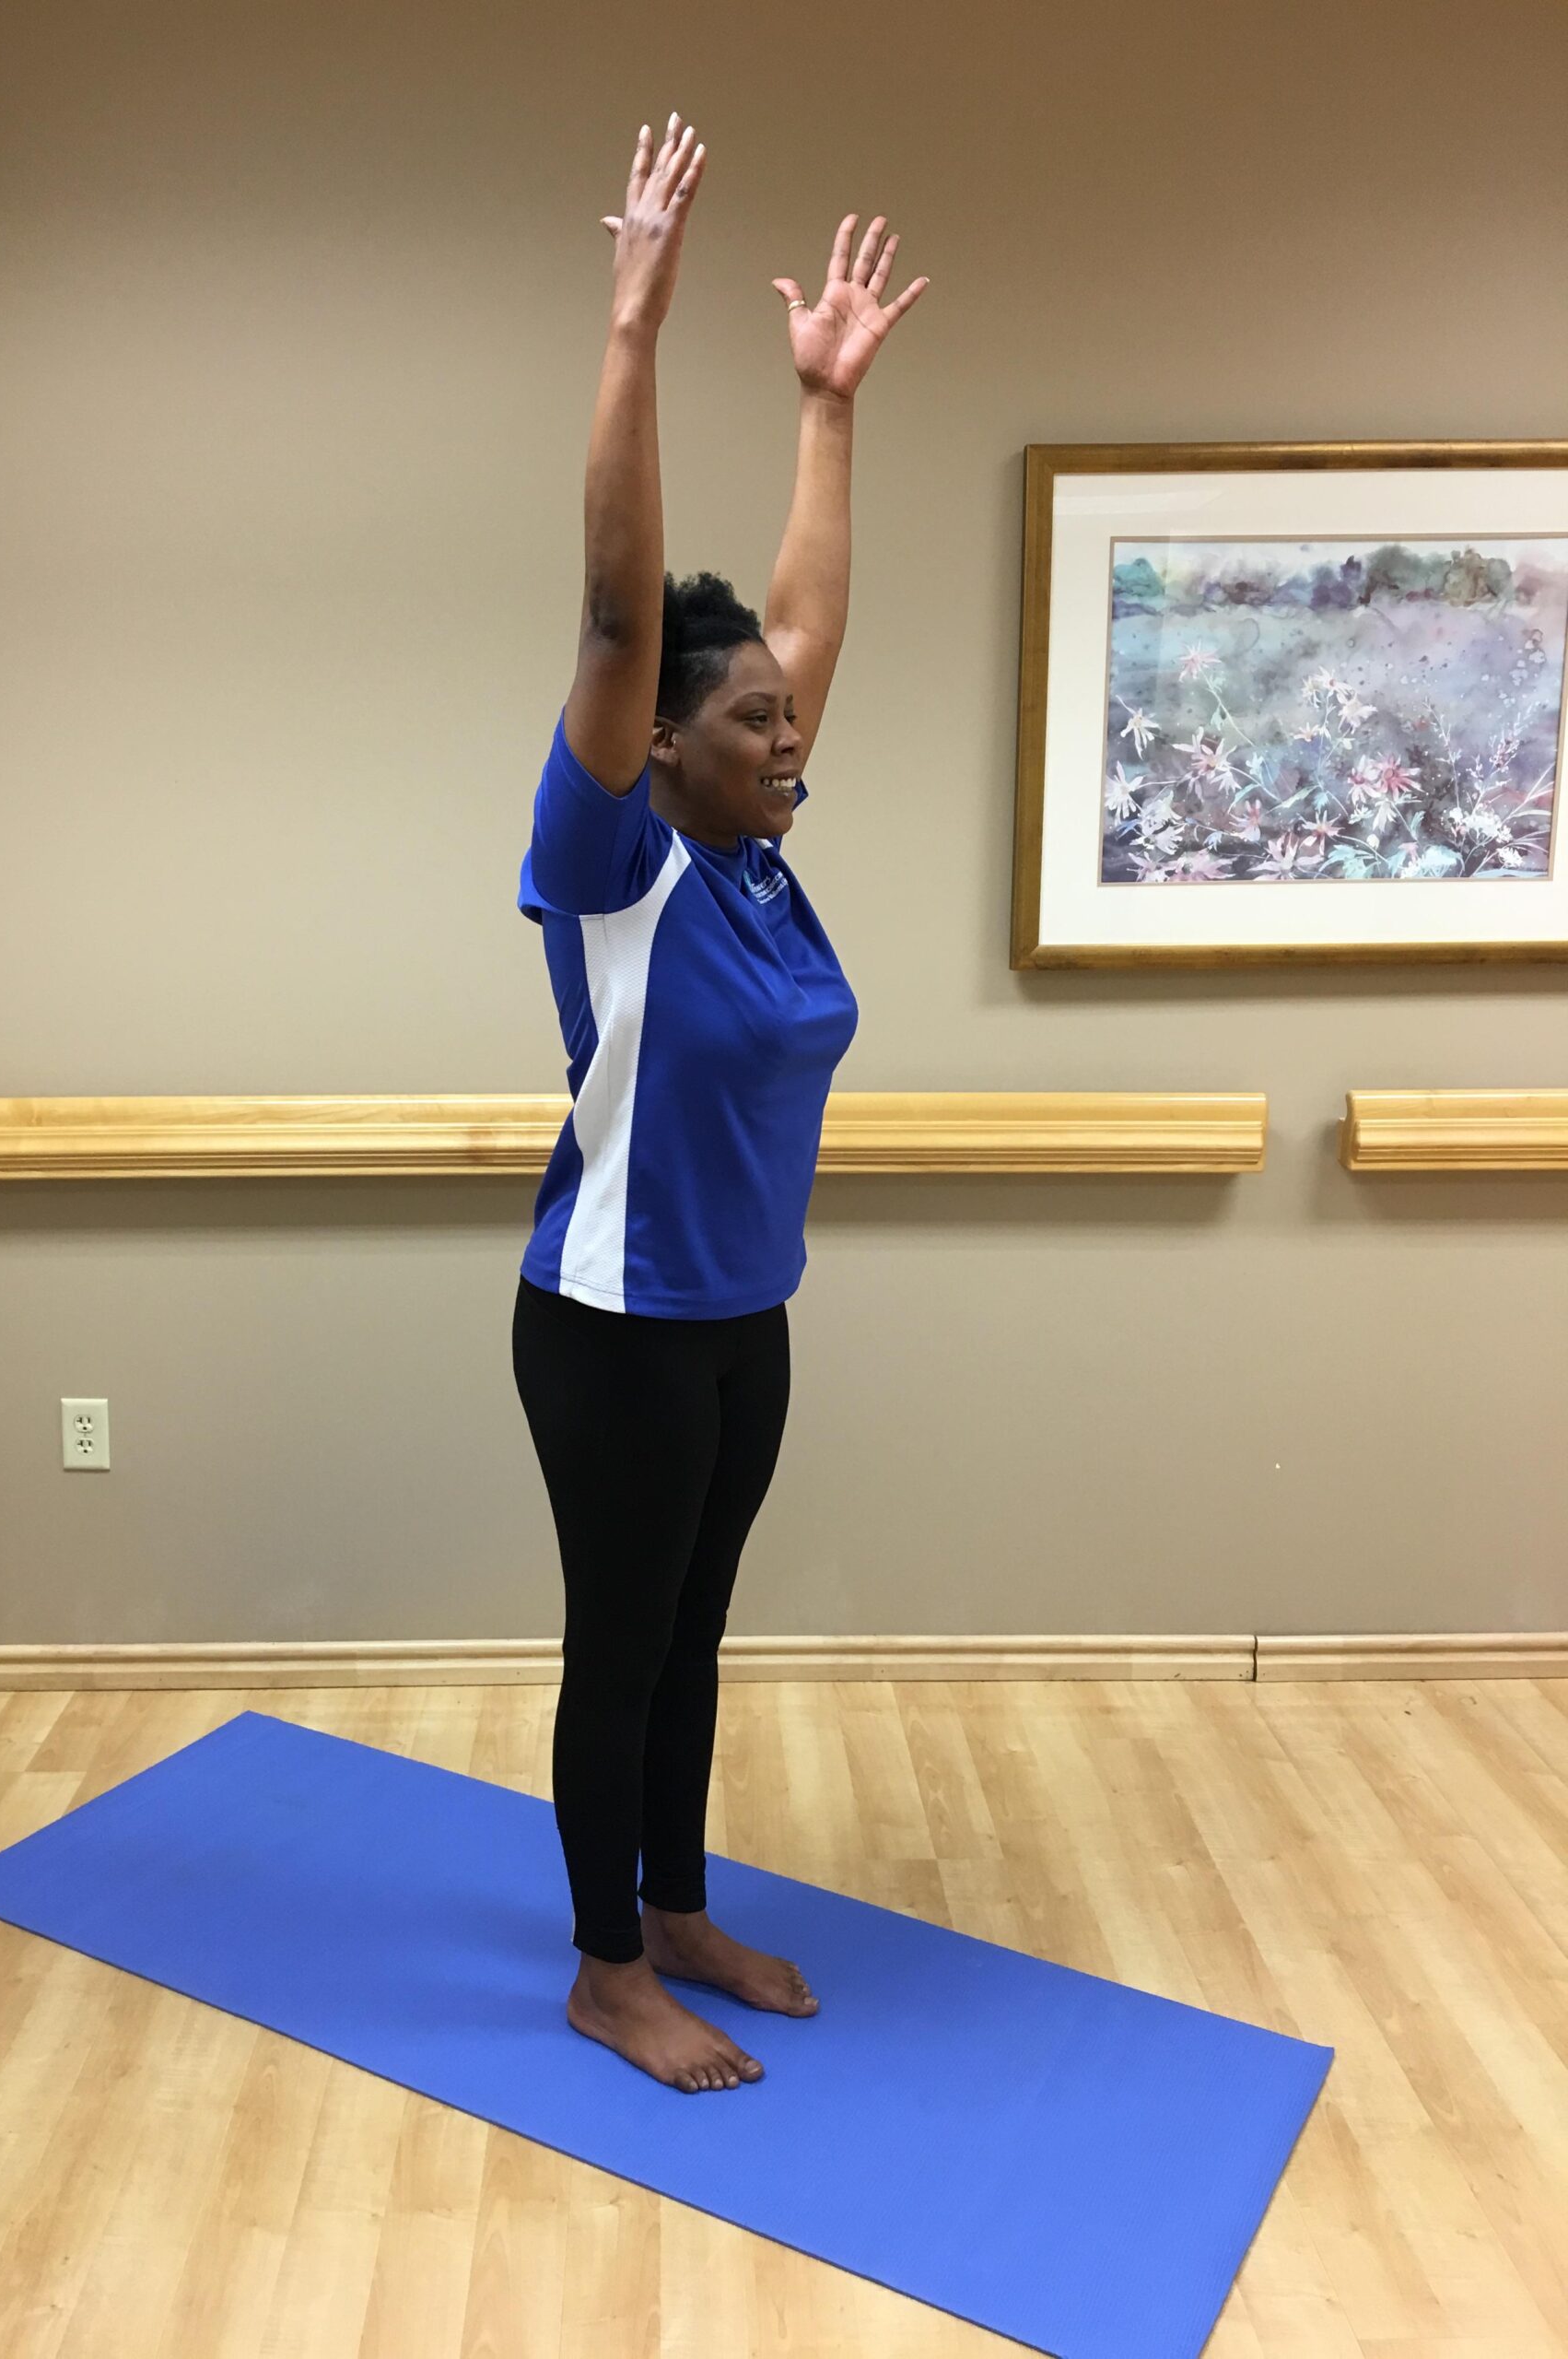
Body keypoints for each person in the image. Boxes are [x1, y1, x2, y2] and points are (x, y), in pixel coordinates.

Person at [510, 112, 929, 2094]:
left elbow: (808, 621)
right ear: (655, 743)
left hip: (743, 1314)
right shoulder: (623, 857)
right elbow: (616, 612)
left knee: (697, 1627)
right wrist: (636, 326)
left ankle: (675, 1901)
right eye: (753, 718)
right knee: (625, 1634)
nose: (793, 735)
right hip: (610, 1328)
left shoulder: (752, 842)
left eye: (784, 712)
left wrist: (826, 408)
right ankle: (607, 1964)